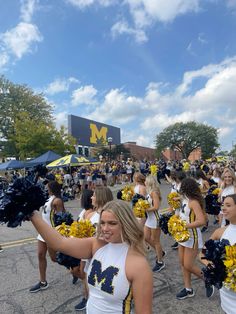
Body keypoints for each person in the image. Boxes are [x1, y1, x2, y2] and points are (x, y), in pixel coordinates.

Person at [30, 200, 153, 313]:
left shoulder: (138, 264)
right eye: (103, 223)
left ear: (126, 223)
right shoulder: (96, 245)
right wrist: (31, 213)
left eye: (112, 223)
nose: (105, 228)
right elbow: (59, 243)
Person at [73, 186, 113, 311]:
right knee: (87, 277)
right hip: (91, 253)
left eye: (94, 195)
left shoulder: (108, 215)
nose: (91, 197)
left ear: (100, 198)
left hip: (104, 256)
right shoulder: (92, 215)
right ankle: (88, 300)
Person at [175, 177, 214, 300]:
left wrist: (184, 225)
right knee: (182, 263)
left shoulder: (194, 202)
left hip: (192, 236)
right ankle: (188, 289)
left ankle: (207, 278)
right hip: (182, 235)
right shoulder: (185, 199)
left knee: (188, 264)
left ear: (186, 188)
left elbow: (202, 220)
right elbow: (180, 209)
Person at [201, 194, 236, 314]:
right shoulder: (220, 232)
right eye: (223, 205)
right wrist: (212, 266)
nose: (224, 208)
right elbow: (202, 253)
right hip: (227, 292)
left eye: (228, 205)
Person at [29, 180, 65, 293]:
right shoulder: (47, 198)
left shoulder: (57, 200)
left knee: (54, 259)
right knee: (40, 255)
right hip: (42, 232)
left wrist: (59, 233)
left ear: (52, 188)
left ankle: (74, 269)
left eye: (47, 186)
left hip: (51, 232)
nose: (46, 188)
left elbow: (62, 217)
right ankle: (43, 282)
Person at [144, 175, 165, 272]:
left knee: (156, 240)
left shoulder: (154, 192)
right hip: (149, 218)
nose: (144, 182)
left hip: (155, 218)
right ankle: (160, 252)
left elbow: (156, 207)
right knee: (146, 237)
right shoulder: (149, 192)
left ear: (149, 182)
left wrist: (145, 209)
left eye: (146, 181)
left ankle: (160, 262)